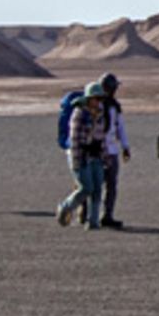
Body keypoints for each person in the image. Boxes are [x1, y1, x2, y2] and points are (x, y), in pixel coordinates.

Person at [56, 81, 109, 231]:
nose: (99, 102)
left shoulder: (100, 114)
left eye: (101, 99)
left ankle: (93, 221)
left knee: (97, 188)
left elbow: (101, 137)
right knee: (86, 188)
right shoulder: (79, 114)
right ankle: (66, 207)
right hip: (81, 156)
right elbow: (75, 141)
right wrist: (77, 162)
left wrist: (105, 157)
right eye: (96, 98)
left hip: (96, 155)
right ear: (89, 98)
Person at [96, 72, 130, 229]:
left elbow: (120, 127)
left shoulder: (115, 106)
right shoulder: (95, 105)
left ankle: (107, 215)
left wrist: (125, 146)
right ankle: (89, 214)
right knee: (94, 184)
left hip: (112, 150)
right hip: (97, 150)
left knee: (111, 185)